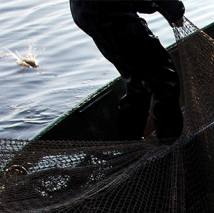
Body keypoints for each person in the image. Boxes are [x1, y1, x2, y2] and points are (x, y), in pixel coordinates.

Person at [70, 1, 186, 141]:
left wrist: (162, 7)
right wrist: (173, 9)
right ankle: (171, 145)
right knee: (166, 80)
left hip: (86, 11)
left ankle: (130, 144)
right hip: (108, 11)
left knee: (138, 81)